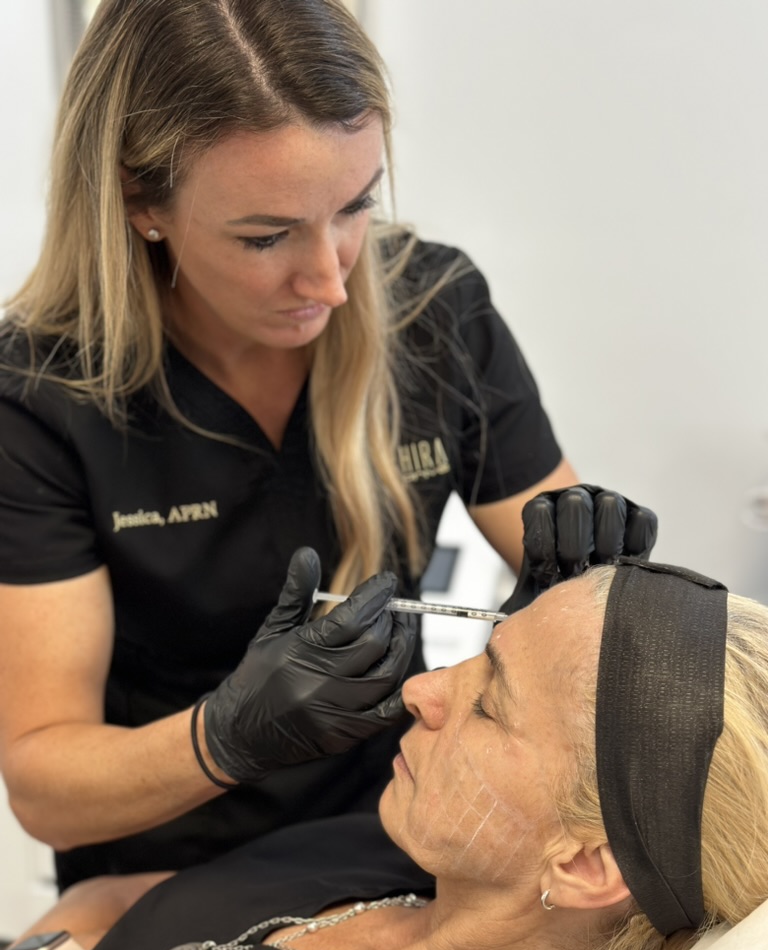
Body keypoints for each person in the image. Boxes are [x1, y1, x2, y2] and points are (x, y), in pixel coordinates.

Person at [0, 0, 656, 889]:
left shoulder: (438, 313)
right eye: (265, 236)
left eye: (354, 207)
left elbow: (576, 588)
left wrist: (583, 598)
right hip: (166, 877)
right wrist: (224, 736)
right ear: (138, 200)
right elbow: (47, 787)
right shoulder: (39, 400)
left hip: (411, 838)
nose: (331, 280)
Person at [2, 557, 766, 950]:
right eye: (480, 653)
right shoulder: (404, 854)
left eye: (490, 703)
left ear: (584, 863)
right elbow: (117, 904)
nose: (422, 690)